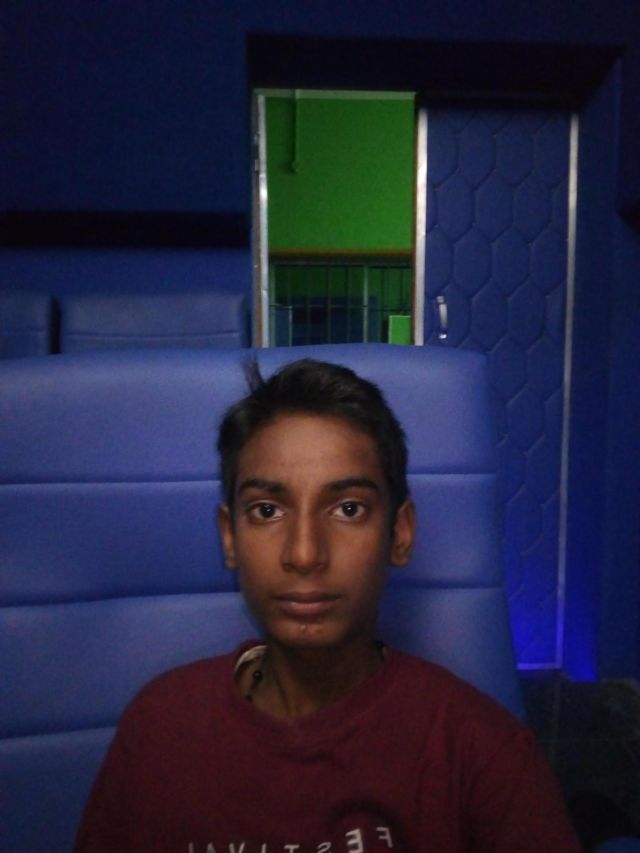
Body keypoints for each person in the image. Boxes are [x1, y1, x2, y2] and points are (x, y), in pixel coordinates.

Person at [75, 358, 581, 852]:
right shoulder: (160, 727)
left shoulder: (482, 754)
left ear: (400, 533)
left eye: (348, 508)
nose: (304, 553)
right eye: (267, 511)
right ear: (230, 538)